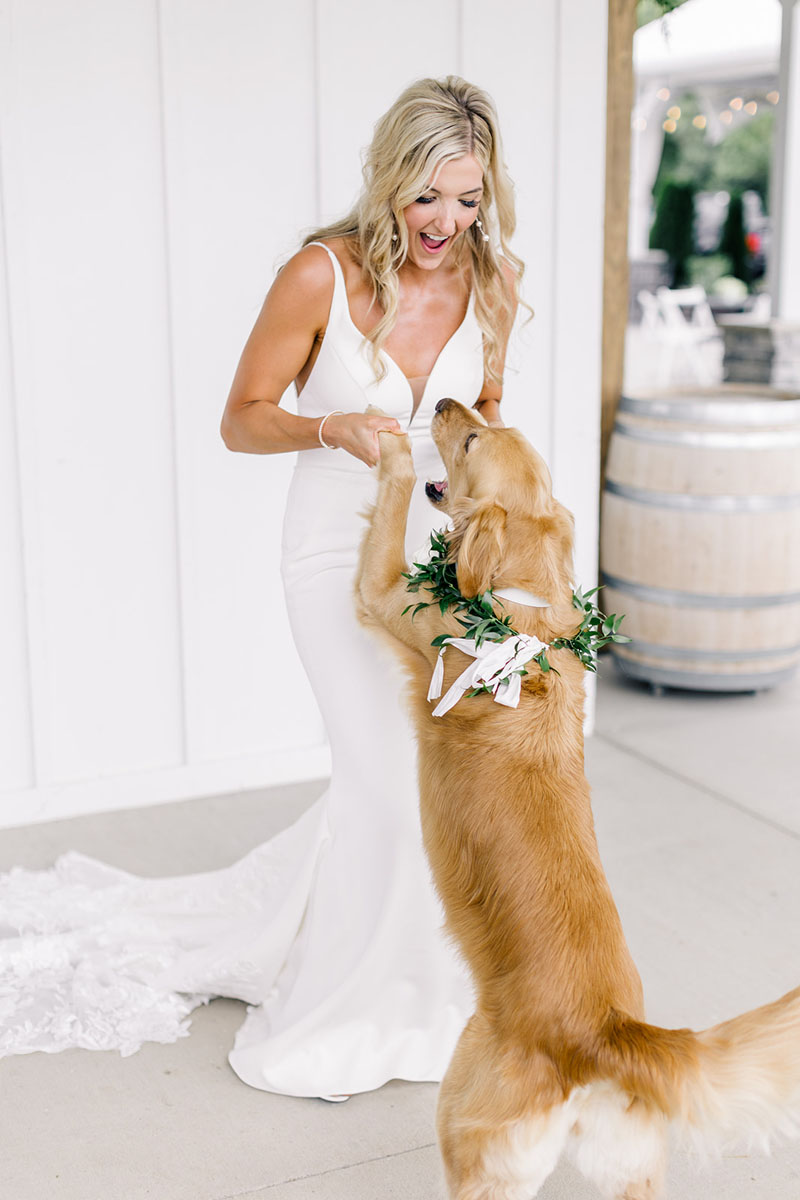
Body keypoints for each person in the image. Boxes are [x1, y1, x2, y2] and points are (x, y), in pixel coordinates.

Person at [0, 75, 524, 1101]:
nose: (446, 223)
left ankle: (434, 987)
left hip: (442, 550)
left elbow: (487, 413)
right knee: (386, 776)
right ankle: (353, 1009)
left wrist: (488, 537)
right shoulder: (316, 277)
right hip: (335, 542)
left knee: (447, 769)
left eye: (467, 199)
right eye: (427, 197)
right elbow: (240, 417)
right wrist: (326, 426)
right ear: (389, 180)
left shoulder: (494, 281)